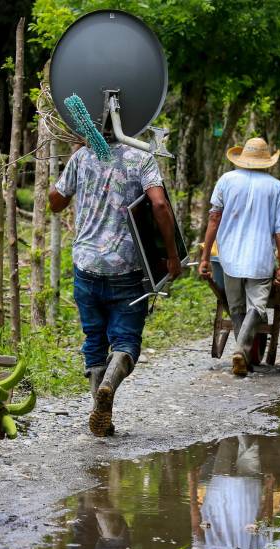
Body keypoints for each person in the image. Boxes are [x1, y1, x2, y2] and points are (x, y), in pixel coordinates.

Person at [49, 142, 181, 437]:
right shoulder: (142, 159)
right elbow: (159, 204)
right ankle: (112, 378)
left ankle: (101, 409)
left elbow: (55, 201)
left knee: (94, 338)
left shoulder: (82, 156)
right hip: (127, 268)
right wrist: (171, 255)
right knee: (126, 340)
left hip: (86, 265)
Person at [198, 137, 280, 375]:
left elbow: (214, 219)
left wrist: (206, 257)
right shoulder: (275, 186)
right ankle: (241, 351)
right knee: (257, 307)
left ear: (243, 158)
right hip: (260, 258)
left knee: (236, 307)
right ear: (266, 161)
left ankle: (242, 353)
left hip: (229, 258)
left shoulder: (226, 181)